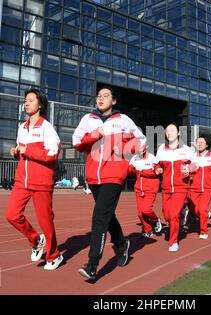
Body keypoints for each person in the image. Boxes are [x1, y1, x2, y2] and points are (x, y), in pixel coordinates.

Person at [72, 86, 146, 280]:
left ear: (113, 101)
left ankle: (92, 264)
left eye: (106, 96)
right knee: (106, 215)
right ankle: (121, 243)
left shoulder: (123, 120)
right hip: (93, 176)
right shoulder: (88, 120)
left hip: (114, 173)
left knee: (99, 217)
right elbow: (76, 141)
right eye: (99, 96)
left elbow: (142, 141)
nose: (101, 99)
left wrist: (122, 150)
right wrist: (94, 135)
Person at [5, 88, 63, 271]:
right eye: (25, 100)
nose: (26, 102)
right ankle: (36, 240)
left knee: (46, 220)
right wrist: (16, 152)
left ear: (40, 105)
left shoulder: (47, 128)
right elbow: (21, 151)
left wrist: (27, 150)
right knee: (12, 215)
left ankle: (54, 255)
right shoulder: (22, 128)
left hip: (42, 182)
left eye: (31, 100)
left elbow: (53, 153)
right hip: (22, 180)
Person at [154, 123, 197, 252]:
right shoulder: (162, 149)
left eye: (172, 130)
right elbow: (156, 164)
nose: (169, 133)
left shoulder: (186, 149)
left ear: (178, 133)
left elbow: (195, 166)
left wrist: (188, 169)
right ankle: (182, 213)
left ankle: (173, 242)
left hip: (181, 187)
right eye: (167, 131)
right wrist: (158, 169)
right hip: (166, 188)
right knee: (166, 215)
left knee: (173, 215)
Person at [187, 134, 211, 239]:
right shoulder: (193, 156)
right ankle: (205, 214)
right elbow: (185, 169)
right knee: (194, 210)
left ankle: (203, 231)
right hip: (193, 188)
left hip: (206, 188)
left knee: (202, 209)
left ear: (207, 144)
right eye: (198, 142)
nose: (199, 144)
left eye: (201, 142)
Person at [128, 145, 162, 238]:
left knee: (146, 210)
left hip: (151, 188)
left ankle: (156, 220)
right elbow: (129, 169)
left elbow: (157, 169)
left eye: (142, 146)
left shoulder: (151, 157)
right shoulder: (134, 158)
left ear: (146, 146)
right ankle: (148, 230)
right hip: (139, 189)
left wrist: (146, 171)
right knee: (140, 214)